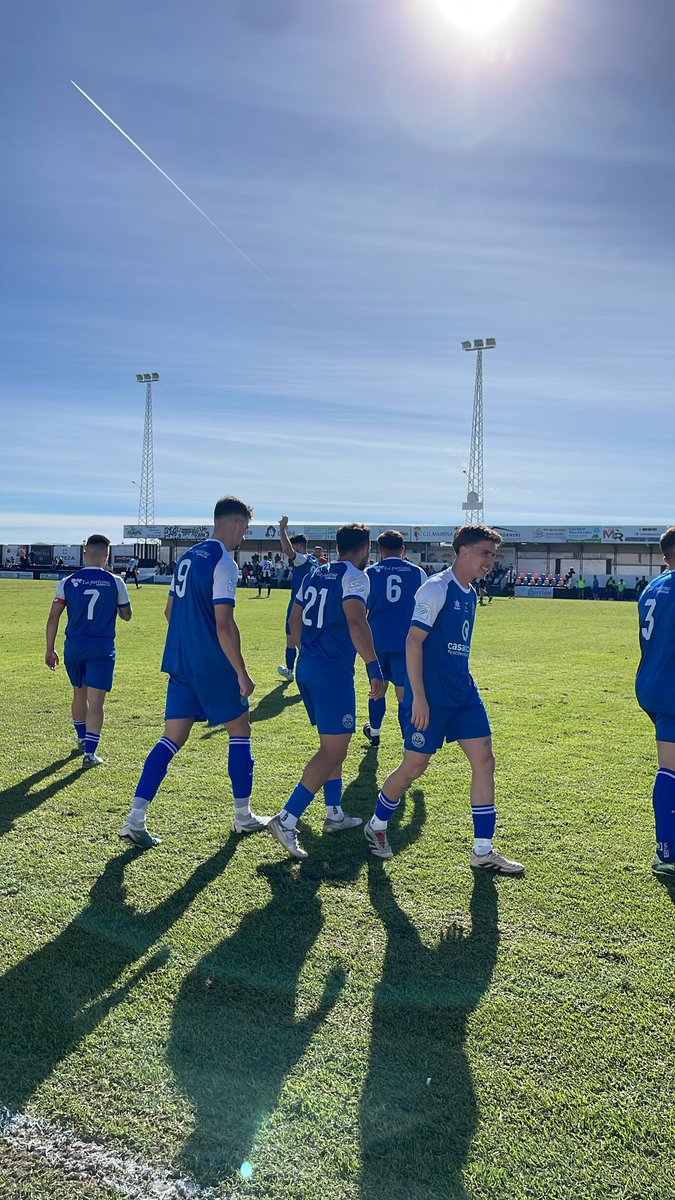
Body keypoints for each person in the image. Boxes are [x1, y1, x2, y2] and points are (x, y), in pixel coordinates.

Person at [363, 524, 524, 874]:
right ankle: (376, 824)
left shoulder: (469, 593)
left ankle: (483, 850)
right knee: (414, 767)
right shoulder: (436, 589)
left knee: (484, 760)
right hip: (430, 699)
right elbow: (412, 642)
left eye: (493, 555)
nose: (490, 562)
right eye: (485, 553)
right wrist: (418, 698)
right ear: (463, 551)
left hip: (463, 693)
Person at [120, 496, 267, 849]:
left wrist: (191, 641)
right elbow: (224, 624)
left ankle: (135, 819)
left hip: (181, 660)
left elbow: (170, 612)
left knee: (171, 738)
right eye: (244, 529)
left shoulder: (188, 556)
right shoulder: (224, 562)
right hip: (211, 664)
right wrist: (242, 673)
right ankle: (243, 817)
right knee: (240, 730)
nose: (243, 537)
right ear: (233, 524)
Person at [267, 523, 386, 860]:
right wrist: (373, 667)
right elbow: (356, 622)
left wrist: (308, 652)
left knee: (334, 744)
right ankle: (287, 818)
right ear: (364, 550)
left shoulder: (315, 574)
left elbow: (294, 619)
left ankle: (334, 813)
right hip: (333, 672)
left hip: (309, 666)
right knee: (333, 751)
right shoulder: (356, 578)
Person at [45, 534, 132, 767]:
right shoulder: (115, 582)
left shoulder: (68, 582)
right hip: (101, 647)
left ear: (85, 554)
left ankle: (82, 739)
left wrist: (49, 649)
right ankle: (90, 754)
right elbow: (127, 615)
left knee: (78, 694)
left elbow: (53, 618)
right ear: (106, 556)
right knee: (96, 702)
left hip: (74, 647)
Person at [362, 531, 427, 748]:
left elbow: (362, 609)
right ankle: (407, 739)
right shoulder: (418, 574)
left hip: (376, 643)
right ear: (403, 549)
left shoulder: (370, 573)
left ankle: (375, 733)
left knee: (377, 689)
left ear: (380, 550)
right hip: (406, 643)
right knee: (403, 694)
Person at [635, 526, 675, 875]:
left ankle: (666, 849)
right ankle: (667, 852)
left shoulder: (652, 586)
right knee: (671, 768)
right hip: (672, 688)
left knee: (670, 766)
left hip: (651, 684)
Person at [277, 515, 319, 682]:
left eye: (294, 546)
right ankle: (290, 670)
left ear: (299, 547)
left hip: (298, 605)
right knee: (292, 639)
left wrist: (282, 530)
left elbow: (288, 551)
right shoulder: (314, 560)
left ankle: (306, 671)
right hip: (311, 606)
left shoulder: (301, 560)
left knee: (295, 639)